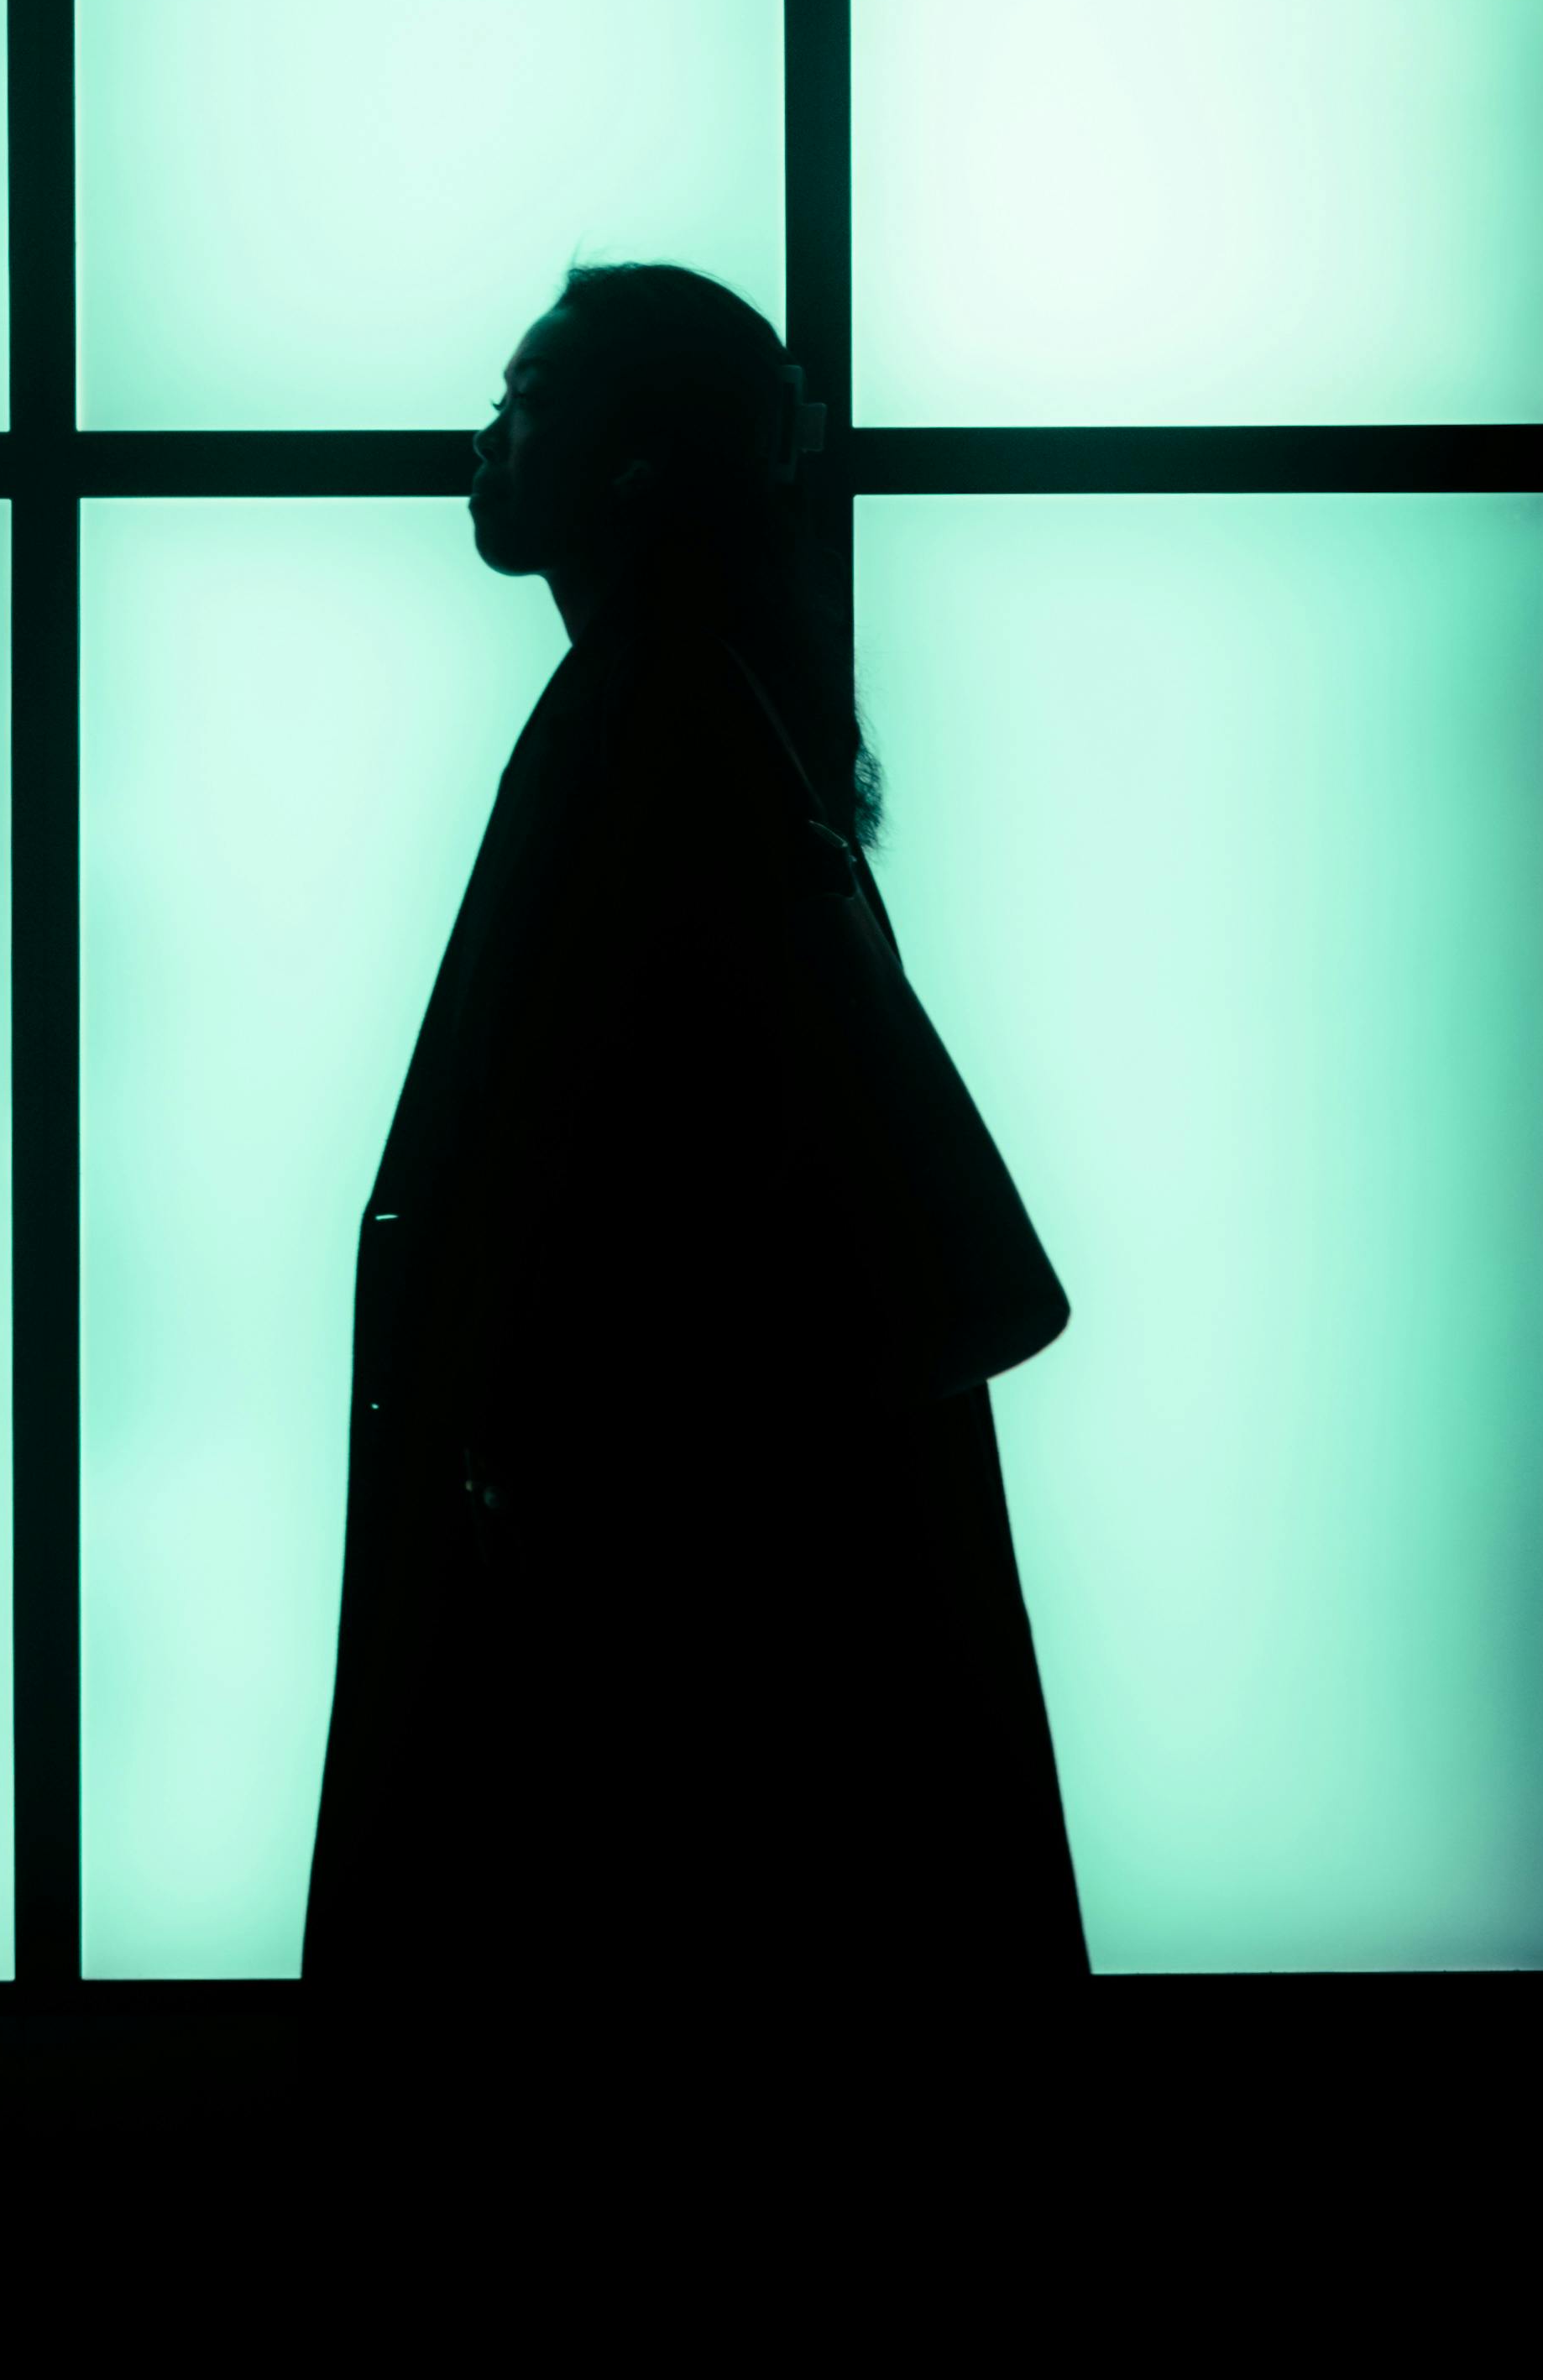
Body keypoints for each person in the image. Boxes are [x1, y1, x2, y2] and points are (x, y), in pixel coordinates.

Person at [297, 261, 1087, 2136]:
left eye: (523, 402)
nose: (481, 443)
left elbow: (623, 1182)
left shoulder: (646, 721)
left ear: (629, 458)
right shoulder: (712, 709)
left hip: (646, 1569)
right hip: (724, 1556)